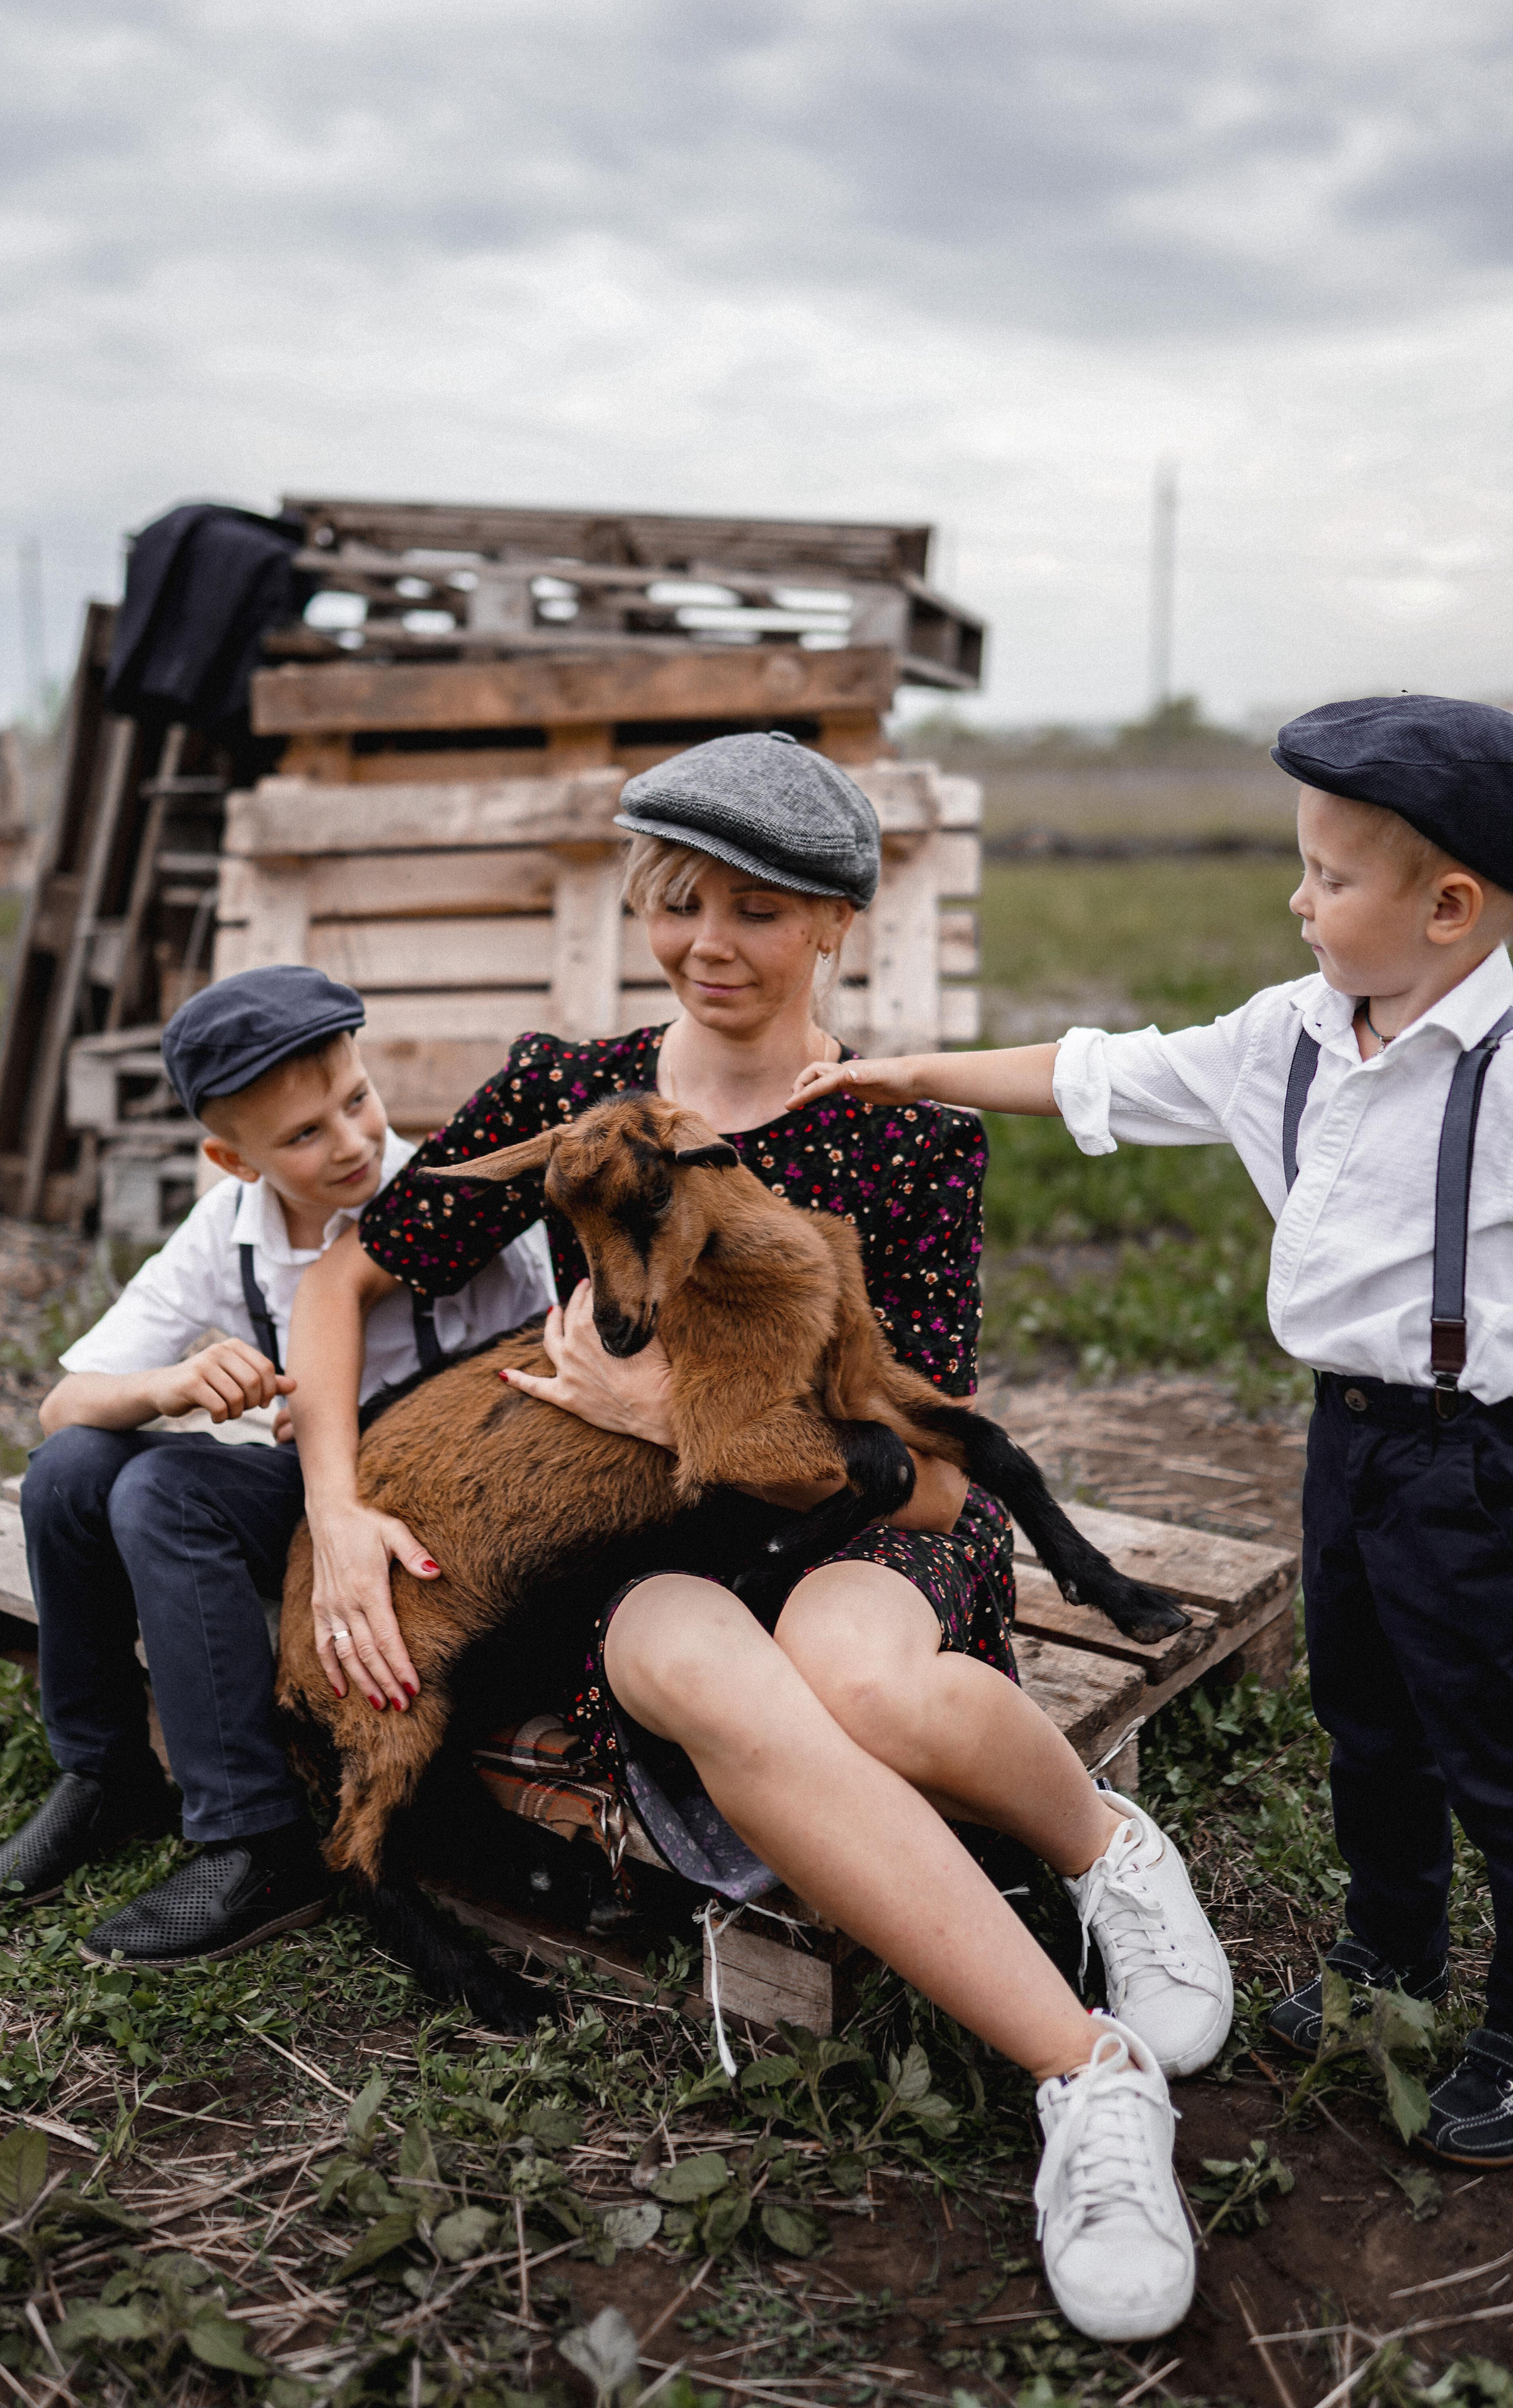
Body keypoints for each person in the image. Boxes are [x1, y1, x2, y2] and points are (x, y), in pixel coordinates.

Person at [286, 731, 1230, 2344]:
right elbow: (340, 1280)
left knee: (863, 1690)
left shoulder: (904, 1138)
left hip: (854, 1535)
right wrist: (337, 1510)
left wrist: (675, 1423)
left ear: (836, 926)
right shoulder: (568, 1095)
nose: (708, 945)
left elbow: (930, 1476)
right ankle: (1088, 2075)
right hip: (651, 1567)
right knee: (694, 1664)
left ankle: (1105, 1851)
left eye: (758, 910)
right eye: (678, 901)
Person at [792, 693, 1513, 2173]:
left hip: (1480, 1456)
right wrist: (911, 1072)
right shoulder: (1291, 1036)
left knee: (1489, 1741)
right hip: (1353, 1444)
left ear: (1447, 908)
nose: (1293, 899)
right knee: (1368, 1721)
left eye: (1326, 876)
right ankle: (1388, 1962)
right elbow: (1096, 1071)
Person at [0, 965, 555, 1968]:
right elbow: (62, 1402)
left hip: (435, 1513)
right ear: (231, 1161)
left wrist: (369, 1421)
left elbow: (535, 1379)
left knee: (161, 1491)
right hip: (312, 1496)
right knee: (73, 1469)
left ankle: (256, 1837)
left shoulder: (449, 1201)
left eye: (358, 1101)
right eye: (303, 1136)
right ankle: (104, 1771)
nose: (354, 1143)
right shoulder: (226, 1234)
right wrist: (174, 1381)